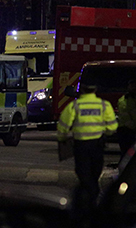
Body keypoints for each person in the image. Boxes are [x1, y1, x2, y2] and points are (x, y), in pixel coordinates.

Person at [57, 83, 117, 216]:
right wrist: (105, 133)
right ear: (95, 90)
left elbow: (63, 126)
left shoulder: (75, 106)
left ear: (82, 90)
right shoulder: (103, 105)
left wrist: (62, 138)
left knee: (84, 174)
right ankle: (93, 200)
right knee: (95, 173)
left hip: (81, 146)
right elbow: (112, 127)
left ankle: (86, 203)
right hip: (97, 145)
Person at [117, 80, 136, 160]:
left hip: (133, 130)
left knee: (133, 154)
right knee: (126, 154)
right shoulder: (124, 101)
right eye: (131, 86)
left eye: (135, 86)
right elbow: (126, 118)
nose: (133, 88)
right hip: (125, 131)